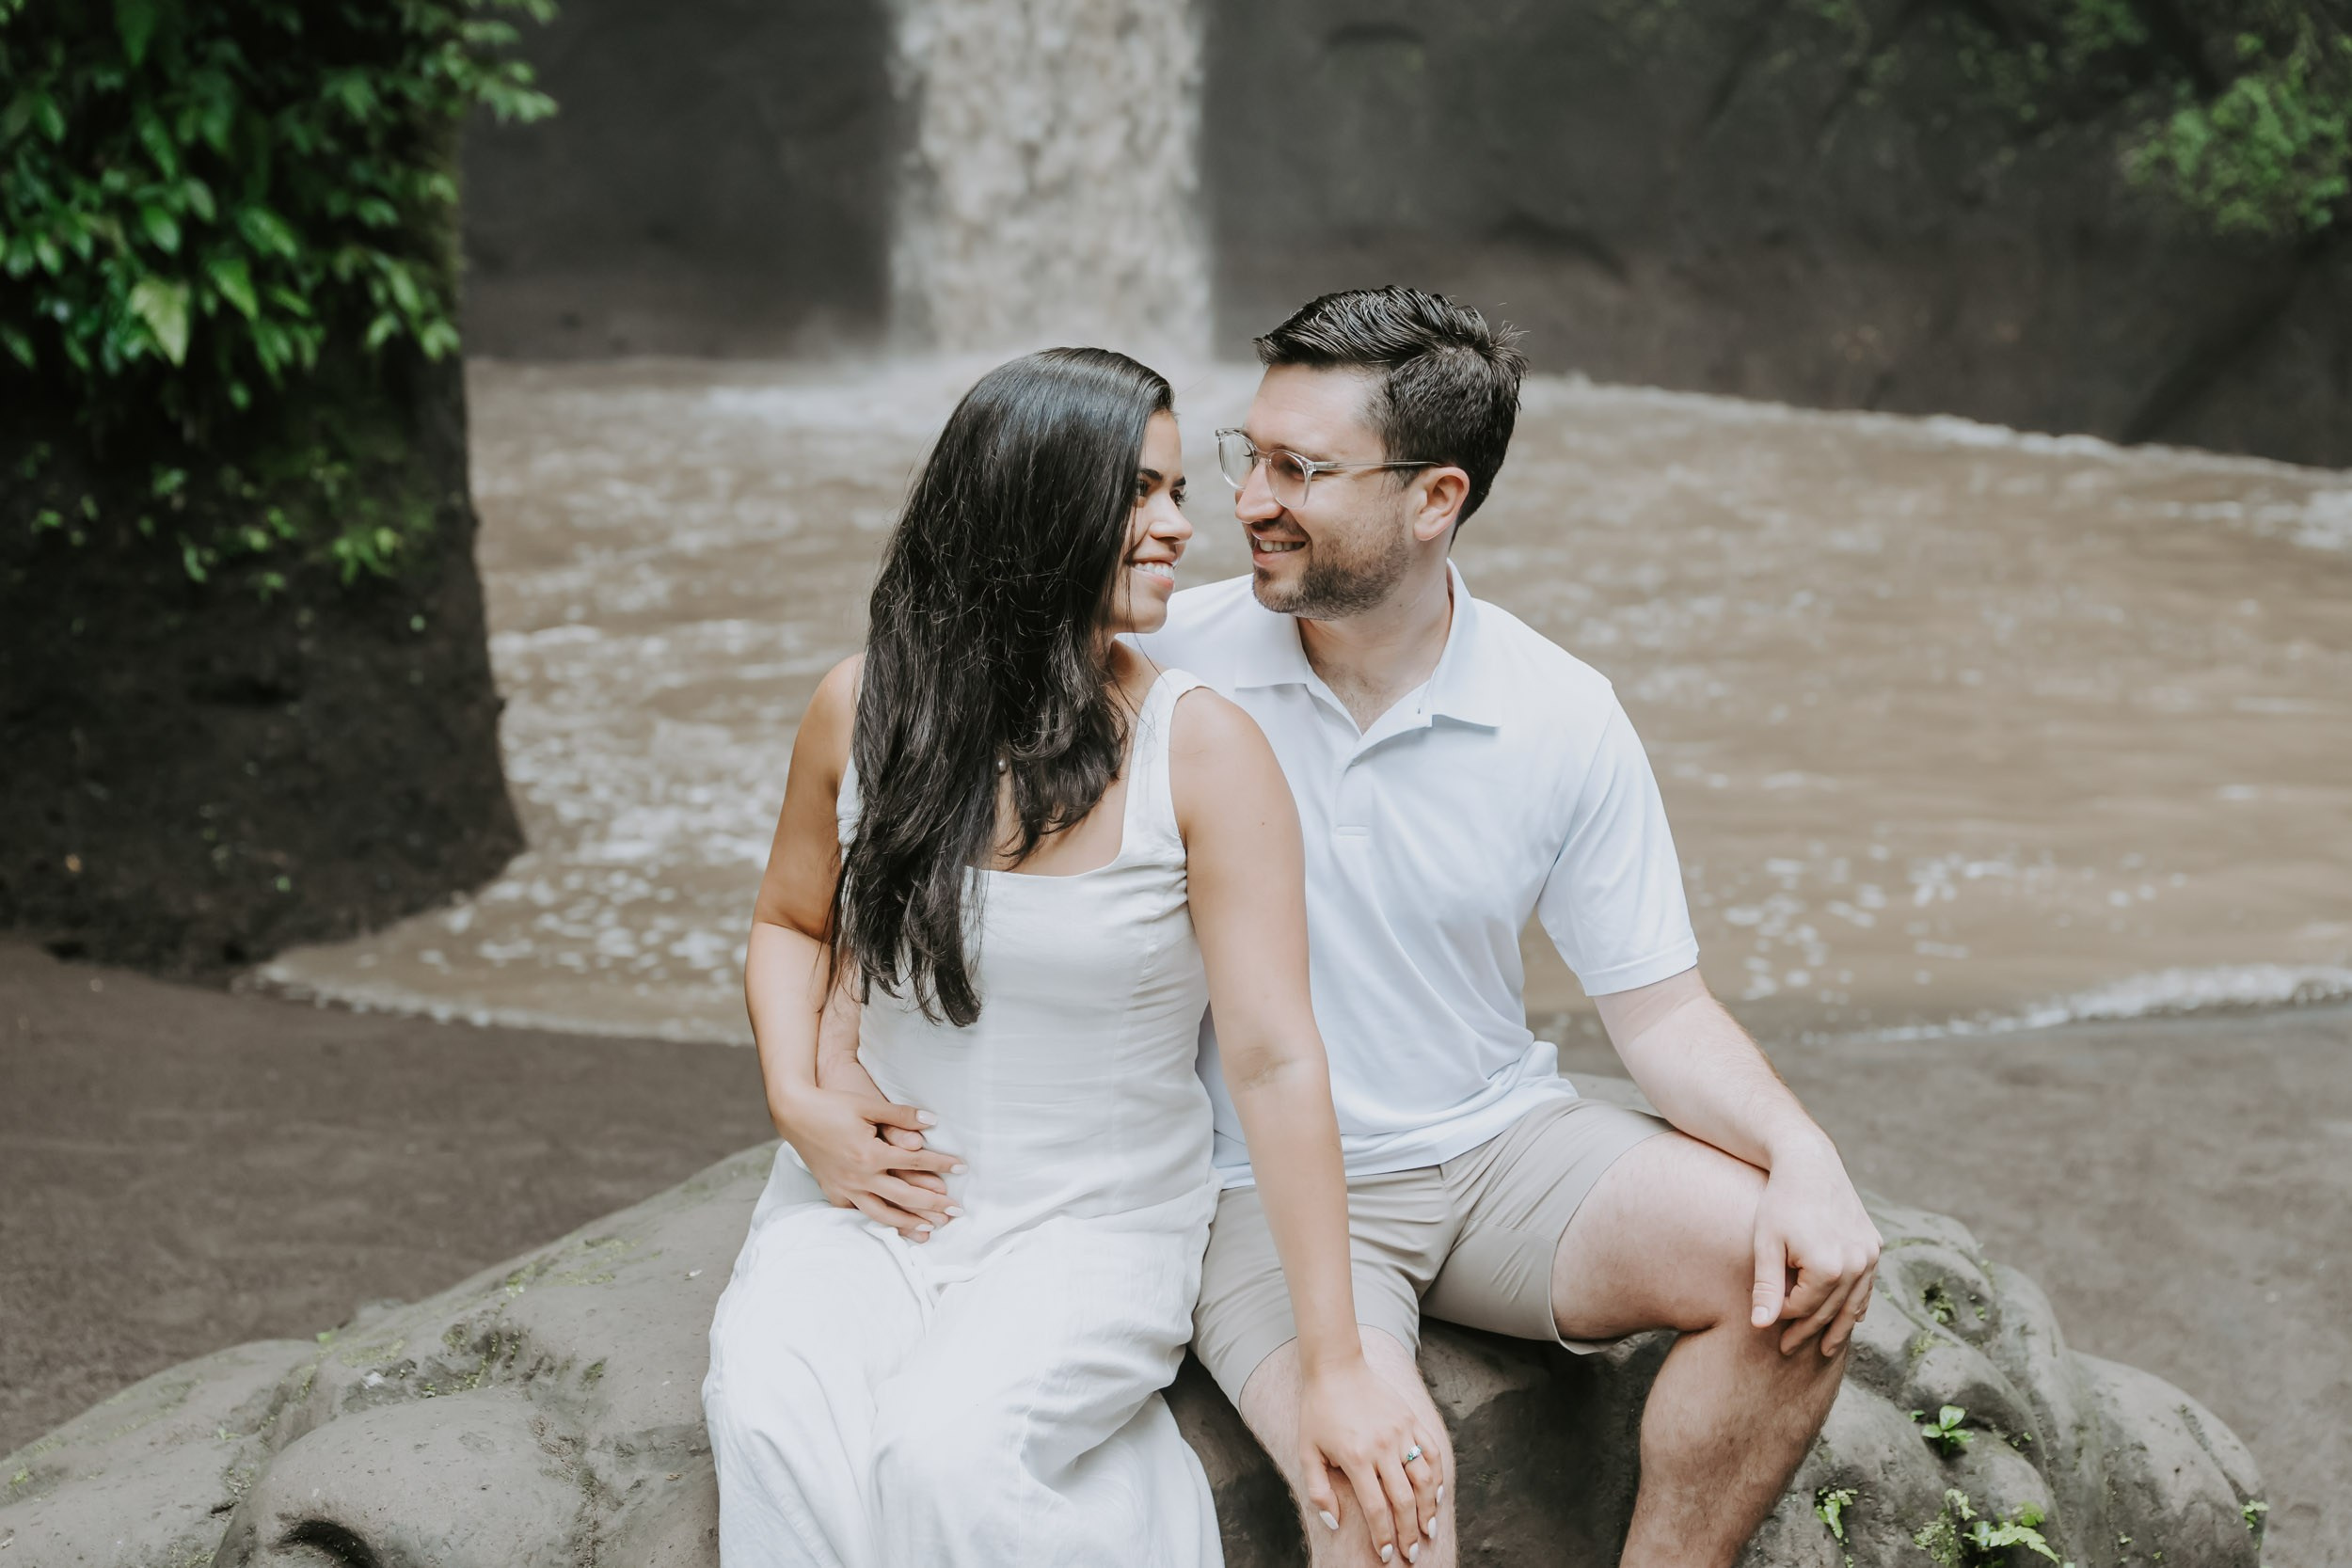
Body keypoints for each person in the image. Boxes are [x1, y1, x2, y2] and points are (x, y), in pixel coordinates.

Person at [815, 292, 1883, 1568]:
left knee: (1793, 1280)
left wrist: (1802, 1152)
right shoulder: (1160, 668)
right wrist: (818, 1083)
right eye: (1248, 456)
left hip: (1495, 1144)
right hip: (1253, 1192)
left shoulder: (1560, 711)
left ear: (1435, 499)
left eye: (1299, 470)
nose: (1246, 500)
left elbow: (1657, 1009)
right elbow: (902, 849)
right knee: (1389, 1504)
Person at [702, 347, 1443, 1568]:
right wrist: (800, 1104)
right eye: (1142, 495)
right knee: (771, 1418)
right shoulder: (862, 708)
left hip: (1092, 1226)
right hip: (866, 1203)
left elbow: (1272, 1062)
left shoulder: (1203, 754)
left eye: (1175, 494)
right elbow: (792, 923)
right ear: (1035, 510)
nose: (1182, 528)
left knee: (946, 1460)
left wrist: (1338, 1363)